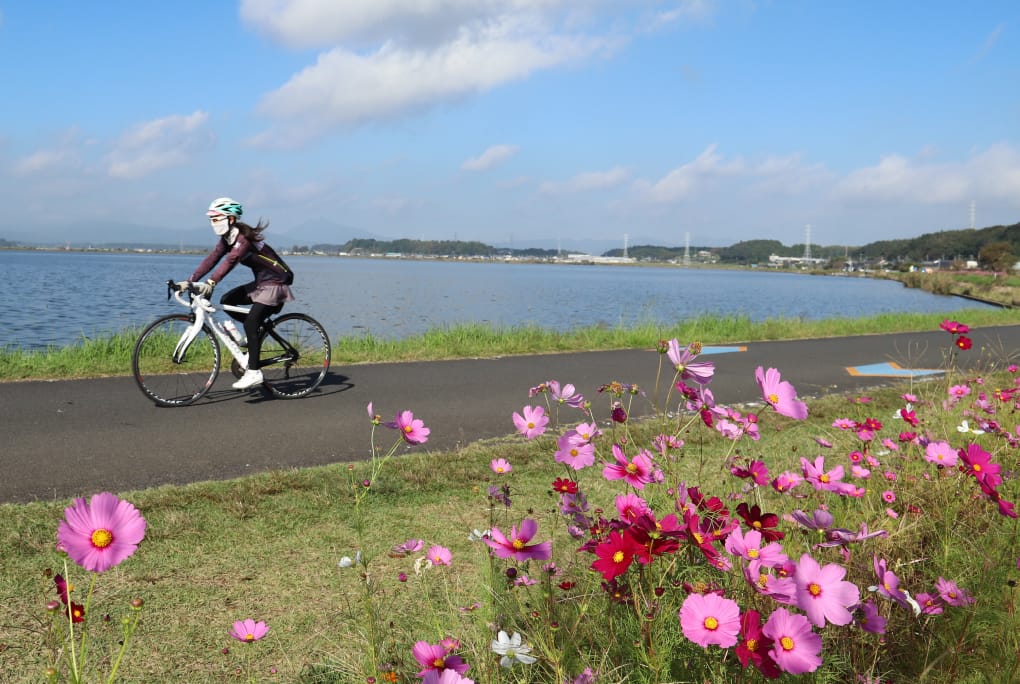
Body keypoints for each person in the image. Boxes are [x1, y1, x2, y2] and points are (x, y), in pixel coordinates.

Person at [180, 197, 295, 390]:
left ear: (231, 219)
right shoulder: (228, 238)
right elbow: (212, 259)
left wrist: (211, 282)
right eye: (211, 219)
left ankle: (254, 372)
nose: (213, 223)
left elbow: (230, 261)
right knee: (228, 300)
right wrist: (190, 281)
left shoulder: (244, 239)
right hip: (261, 283)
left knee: (251, 322)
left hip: (276, 284)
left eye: (216, 219)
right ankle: (248, 339)